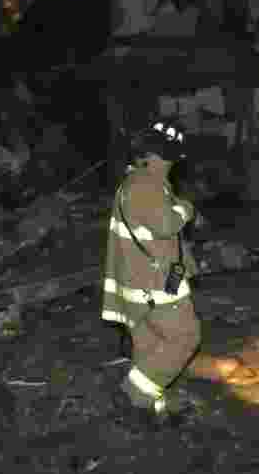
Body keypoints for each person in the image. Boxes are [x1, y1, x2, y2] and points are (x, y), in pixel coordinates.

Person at [102, 119, 201, 427]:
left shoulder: (135, 183)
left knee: (150, 347)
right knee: (185, 337)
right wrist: (186, 209)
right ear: (166, 155)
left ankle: (151, 408)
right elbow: (165, 224)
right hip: (156, 286)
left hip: (137, 283)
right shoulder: (147, 184)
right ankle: (134, 394)